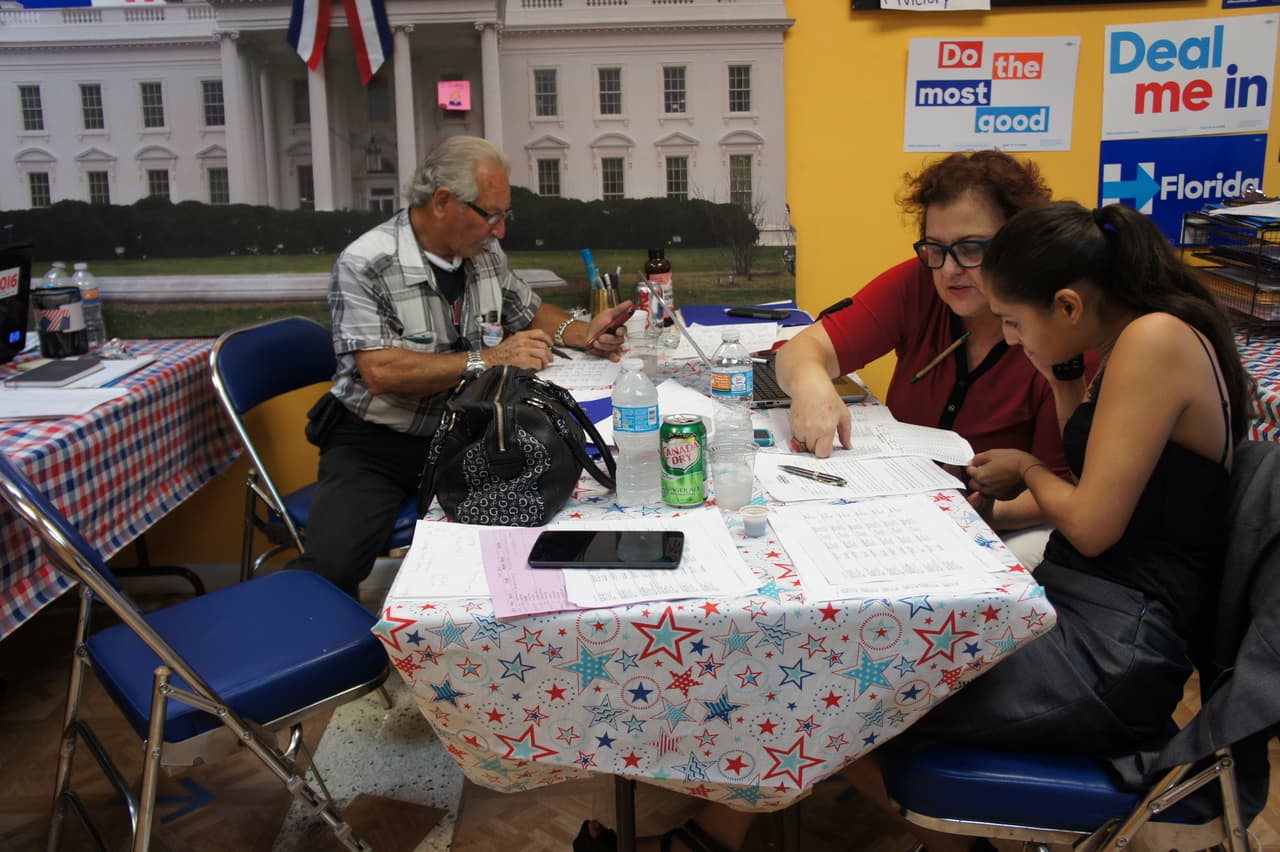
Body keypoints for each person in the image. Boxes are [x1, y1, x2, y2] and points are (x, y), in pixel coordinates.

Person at [287, 136, 632, 596]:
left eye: (504, 215)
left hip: (473, 431)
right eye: (491, 214)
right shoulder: (365, 264)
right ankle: (332, 657)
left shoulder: (484, 254)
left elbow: (528, 311)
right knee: (330, 570)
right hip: (380, 444)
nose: (500, 229)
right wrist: (486, 359)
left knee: (548, 518)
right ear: (444, 202)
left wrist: (586, 330)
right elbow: (381, 372)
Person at [776, 149, 1066, 565]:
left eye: (971, 249)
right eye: (935, 248)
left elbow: (1061, 493)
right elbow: (800, 350)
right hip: (901, 509)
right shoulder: (919, 284)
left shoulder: (1055, 331)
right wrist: (812, 383)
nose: (949, 270)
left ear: (1019, 243)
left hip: (1000, 529)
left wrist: (971, 511)